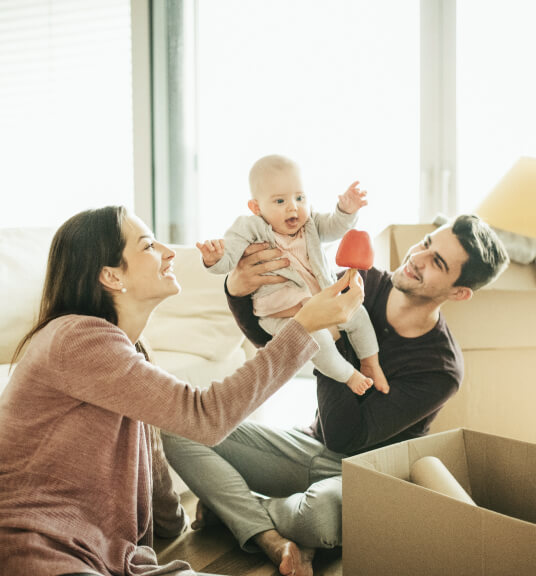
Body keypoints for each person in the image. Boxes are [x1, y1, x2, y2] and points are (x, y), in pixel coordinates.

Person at [0, 206, 364, 576]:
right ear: (111, 275)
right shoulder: (76, 338)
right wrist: (303, 326)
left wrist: (174, 522)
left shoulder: (125, 349)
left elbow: (151, 448)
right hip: (39, 546)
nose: (169, 251)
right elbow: (204, 417)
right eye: (148, 246)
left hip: (108, 554)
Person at [162, 214, 509, 576]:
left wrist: (332, 334)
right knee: (180, 427)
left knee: (320, 516)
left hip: (364, 472)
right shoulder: (361, 283)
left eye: (437, 262)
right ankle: (266, 533)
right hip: (307, 447)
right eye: (426, 243)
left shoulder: (440, 369)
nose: (418, 258)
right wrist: (235, 289)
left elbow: (348, 437)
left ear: (459, 293)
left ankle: (232, 507)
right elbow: (272, 341)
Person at [197, 154, 389, 396]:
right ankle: (349, 375)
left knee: (358, 315)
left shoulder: (309, 224)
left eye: (300, 197)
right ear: (256, 207)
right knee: (316, 340)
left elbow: (334, 227)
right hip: (283, 315)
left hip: (321, 304)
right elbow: (229, 259)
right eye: (279, 201)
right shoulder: (249, 228)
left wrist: (346, 210)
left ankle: (370, 362)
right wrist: (214, 258)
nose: (293, 207)